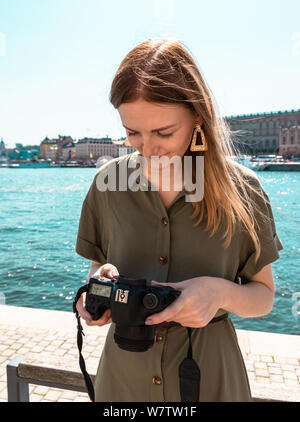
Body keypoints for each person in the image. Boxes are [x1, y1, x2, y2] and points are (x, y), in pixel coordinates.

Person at [75, 38, 283, 402]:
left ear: (197, 117)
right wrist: (98, 289)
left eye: (163, 132)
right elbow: (98, 268)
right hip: (123, 381)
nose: (147, 148)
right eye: (132, 133)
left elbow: (263, 297)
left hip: (212, 383)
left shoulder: (244, 190)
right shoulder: (106, 184)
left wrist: (219, 293)